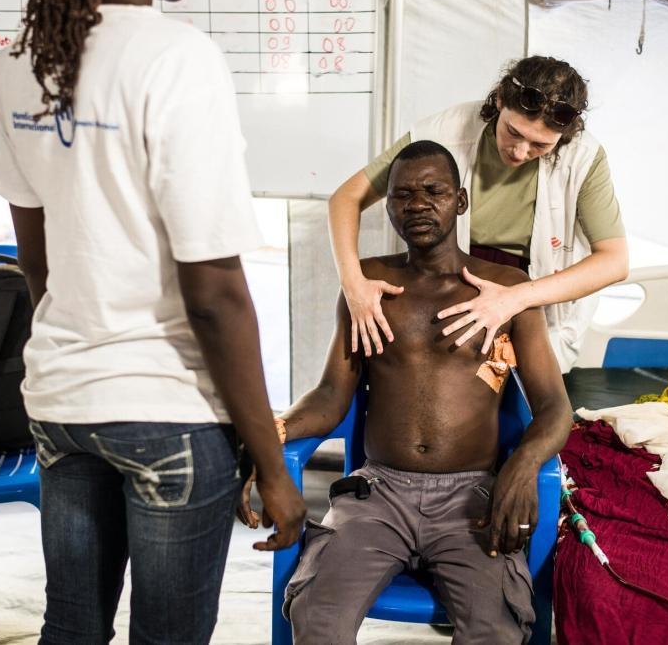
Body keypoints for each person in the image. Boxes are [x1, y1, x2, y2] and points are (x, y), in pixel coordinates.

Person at [0, 0, 305, 643]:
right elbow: (215, 295)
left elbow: (35, 258)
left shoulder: (20, 55)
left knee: (70, 625)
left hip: (61, 404)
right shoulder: (177, 56)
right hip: (169, 412)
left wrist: (80, 351)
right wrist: (272, 465)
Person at [240, 141, 574, 644]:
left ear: (460, 201)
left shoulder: (505, 290)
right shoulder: (369, 283)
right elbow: (333, 394)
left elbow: (554, 408)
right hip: (378, 494)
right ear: (388, 206)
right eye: (402, 196)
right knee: (316, 617)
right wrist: (276, 430)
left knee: (497, 630)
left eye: (432, 191)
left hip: (471, 498)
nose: (417, 205)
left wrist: (523, 465)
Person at [329, 56, 629, 369]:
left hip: (531, 294)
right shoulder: (444, 131)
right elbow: (346, 198)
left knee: (527, 398)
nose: (520, 151)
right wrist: (353, 286)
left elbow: (614, 261)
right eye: (513, 131)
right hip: (452, 281)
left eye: (540, 145)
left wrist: (515, 298)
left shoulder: (584, 157)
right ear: (500, 98)